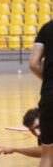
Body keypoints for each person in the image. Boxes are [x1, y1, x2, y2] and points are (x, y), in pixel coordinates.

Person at [29, 20, 53, 166]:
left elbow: (33, 63)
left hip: (49, 92)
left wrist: (48, 80)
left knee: (47, 154)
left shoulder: (47, 28)